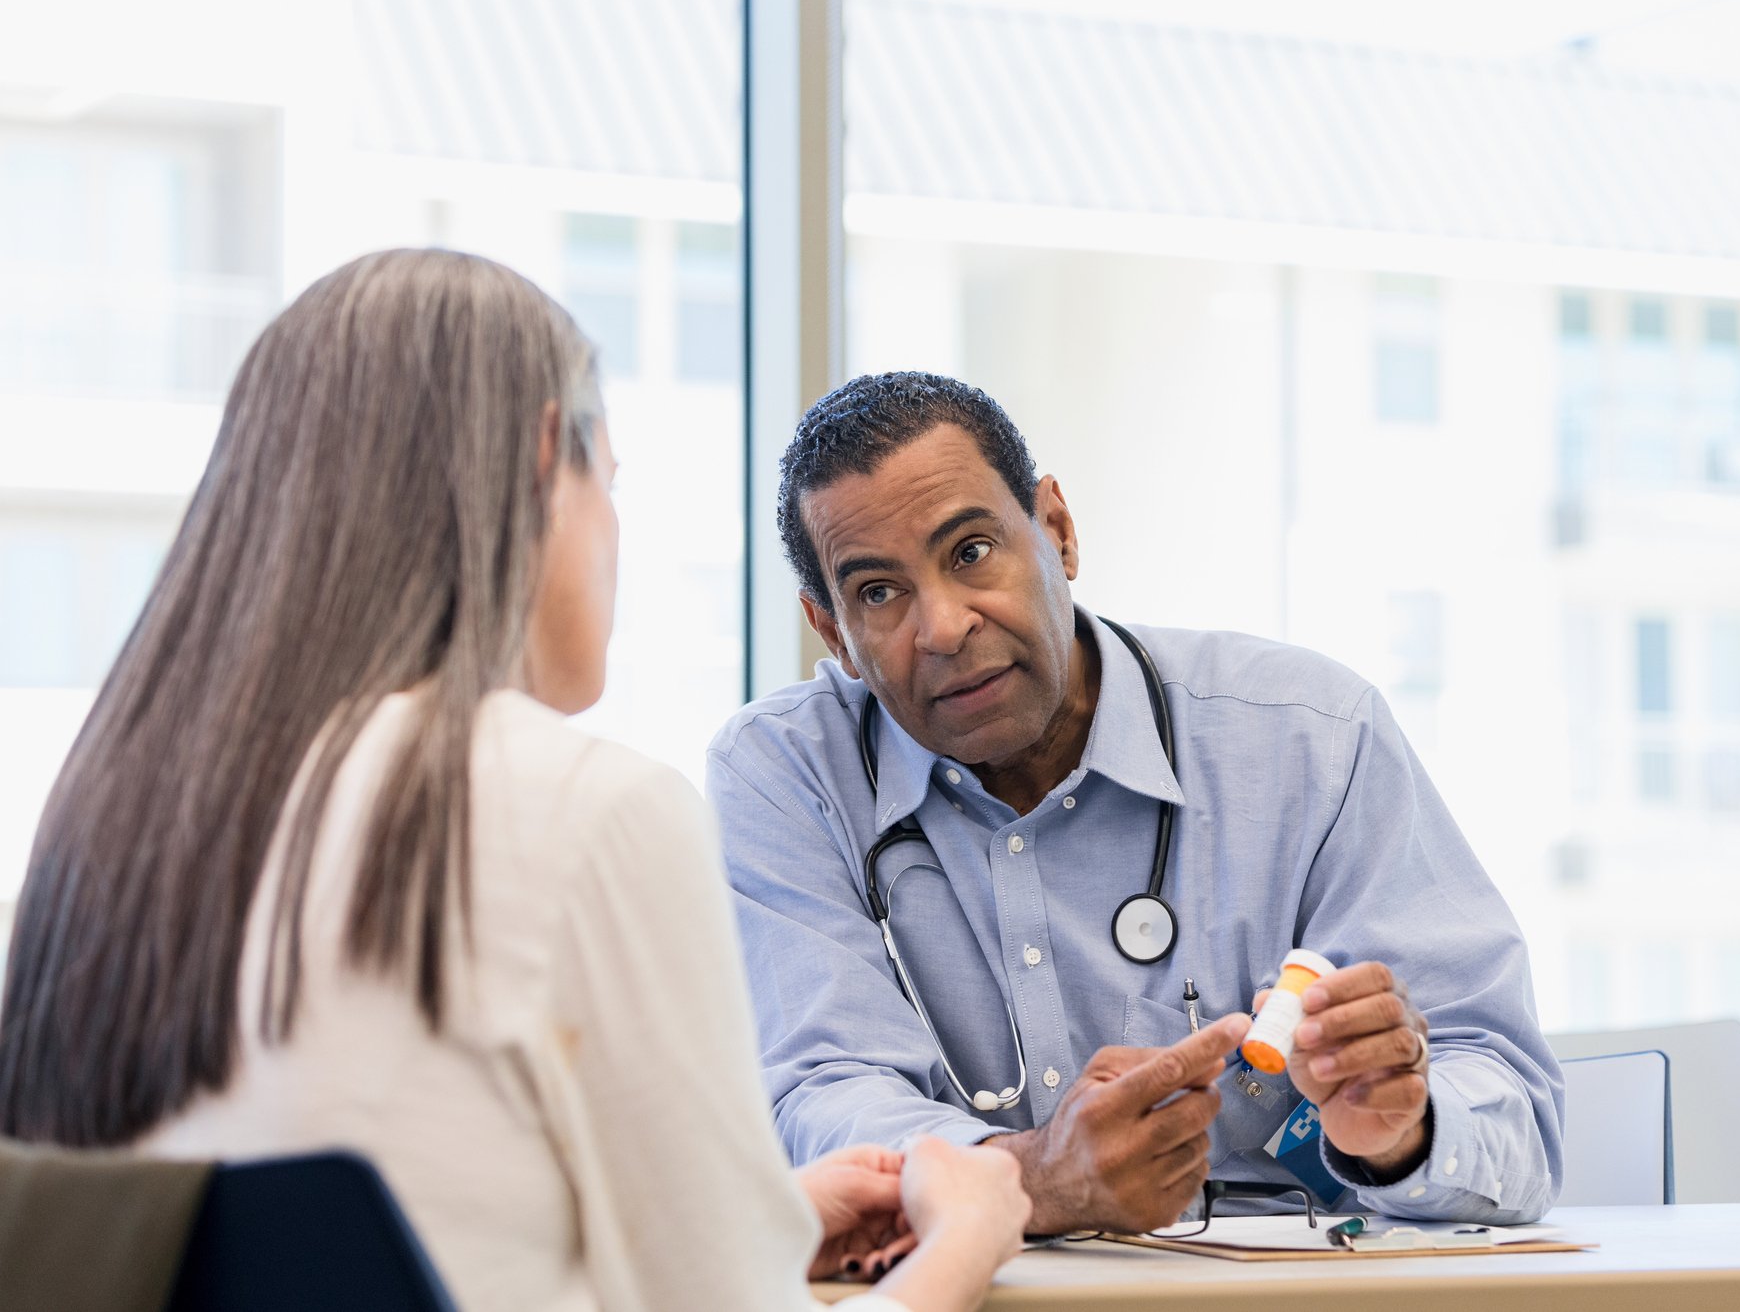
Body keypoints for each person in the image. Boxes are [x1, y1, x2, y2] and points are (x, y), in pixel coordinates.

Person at [0, 254, 1028, 1312]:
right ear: (546, 459)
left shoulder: (115, 818)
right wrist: (968, 1234)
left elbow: (366, 1228)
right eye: (610, 483)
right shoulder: (584, 808)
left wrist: (755, 1221)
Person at [713, 371, 1564, 1235]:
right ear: (833, 634)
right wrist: (1038, 1179)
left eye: (970, 551)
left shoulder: (1312, 739)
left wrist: (1400, 1133)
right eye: (878, 593)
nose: (941, 626)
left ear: (1056, 531)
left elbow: (1514, 1116)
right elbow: (820, 1100)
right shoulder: (786, 777)